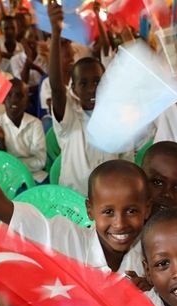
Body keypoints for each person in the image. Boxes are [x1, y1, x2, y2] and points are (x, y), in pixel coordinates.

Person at [0, 91, 150, 275]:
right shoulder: (68, 239)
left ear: (147, 210)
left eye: (131, 210)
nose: (120, 223)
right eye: (108, 212)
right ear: (89, 210)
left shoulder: (152, 253)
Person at [48, 2, 127, 193]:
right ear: (73, 89)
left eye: (97, 82)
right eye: (83, 84)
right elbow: (57, 89)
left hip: (110, 197)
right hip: (74, 200)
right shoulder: (70, 119)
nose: (92, 89)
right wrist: (56, 33)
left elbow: (125, 162)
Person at [0, 79, 47, 182]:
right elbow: (1, 162)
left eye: (19, 96)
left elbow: (40, 160)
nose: (14, 100)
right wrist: (2, 141)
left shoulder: (35, 124)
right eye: (9, 95)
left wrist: (13, 164)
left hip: (35, 176)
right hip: (9, 179)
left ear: (27, 101)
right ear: (3, 100)